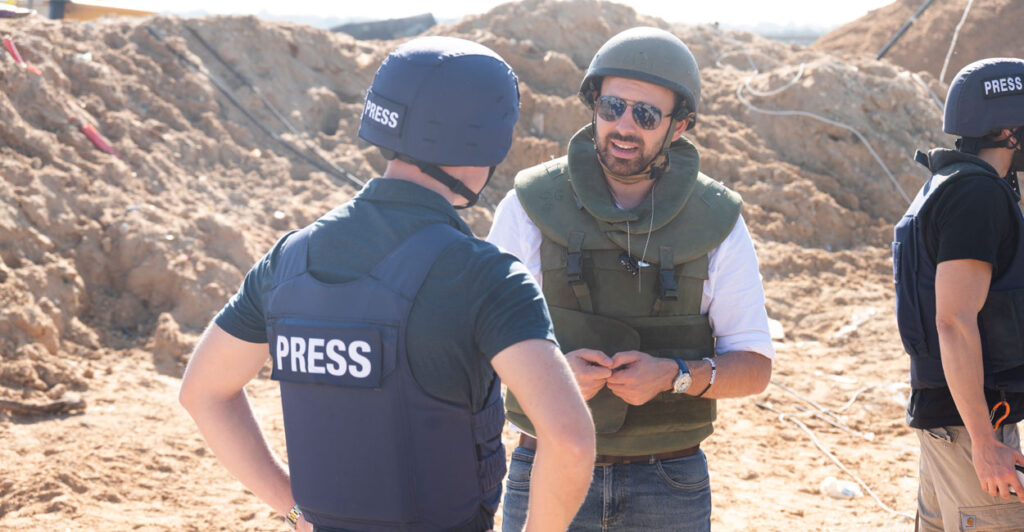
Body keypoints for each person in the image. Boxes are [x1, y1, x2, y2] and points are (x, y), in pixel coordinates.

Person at [179, 36, 595, 532]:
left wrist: (294, 509)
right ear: (484, 141)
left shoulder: (288, 260)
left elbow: (202, 392)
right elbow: (569, 440)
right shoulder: (485, 275)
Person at [487, 27, 774, 531]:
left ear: (679, 125)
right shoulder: (530, 206)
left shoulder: (716, 220)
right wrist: (550, 377)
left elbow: (753, 366)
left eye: (644, 115)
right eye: (611, 107)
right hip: (547, 466)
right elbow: (478, 343)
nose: (623, 126)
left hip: (668, 484)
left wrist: (675, 374)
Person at [893, 57, 1024, 531]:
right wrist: (986, 444)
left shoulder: (944, 184)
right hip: (972, 430)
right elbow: (953, 320)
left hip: (948, 426)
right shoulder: (977, 195)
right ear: (1008, 130)